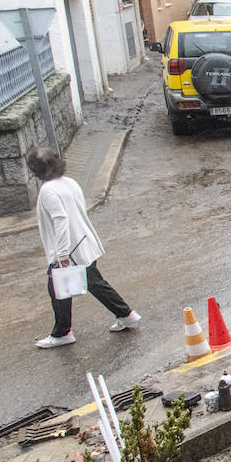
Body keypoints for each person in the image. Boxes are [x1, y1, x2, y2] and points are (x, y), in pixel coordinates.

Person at [26, 145, 139, 348]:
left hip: (69, 251)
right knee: (93, 283)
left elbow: (60, 220)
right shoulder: (68, 182)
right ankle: (126, 315)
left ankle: (62, 333)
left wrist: (61, 255)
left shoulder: (48, 191)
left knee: (59, 289)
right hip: (82, 245)